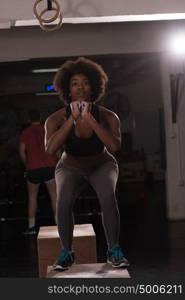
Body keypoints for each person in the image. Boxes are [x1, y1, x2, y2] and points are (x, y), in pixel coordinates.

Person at [45, 57, 129, 270]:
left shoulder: (109, 116)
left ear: (93, 87)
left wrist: (90, 118)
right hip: (70, 167)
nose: (80, 87)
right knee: (63, 202)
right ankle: (66, 252)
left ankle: (114, 250)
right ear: (68, 90)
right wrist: (71, 119)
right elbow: (50, 149)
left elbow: (114, 146)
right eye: (75, 83)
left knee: (108, 197)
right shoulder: (54, 119)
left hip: (102, 164)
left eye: (85, 82)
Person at [19, 109, 57, 235]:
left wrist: (27, 165)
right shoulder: (47, 130)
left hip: (33, 169)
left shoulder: (25, 132)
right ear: (41, 119)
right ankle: (59, 224)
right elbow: (56, 148)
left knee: (32, 197)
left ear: (29, 120)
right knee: (54, 195)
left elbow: (21, 152)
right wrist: (56, 163)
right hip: (49, 167)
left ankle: (31, 227)